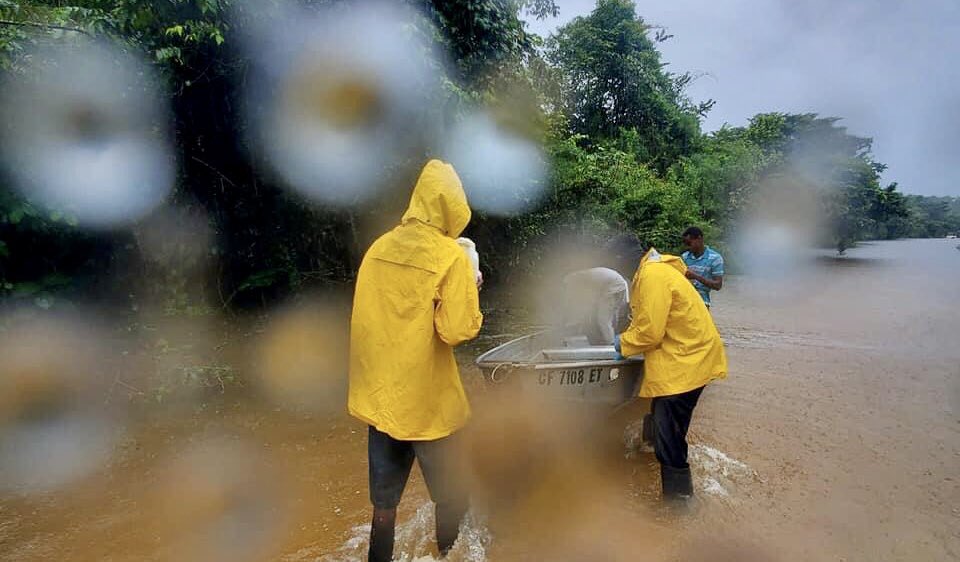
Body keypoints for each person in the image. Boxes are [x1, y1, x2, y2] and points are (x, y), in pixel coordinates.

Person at [348, 160, 483, 561]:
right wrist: (471, 290)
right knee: (452, 497)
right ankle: (449, 555)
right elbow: (457, 331)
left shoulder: (377, 249)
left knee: (384, 505)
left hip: (382, 400)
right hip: (430, 404)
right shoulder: (452, 257)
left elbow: (369, 321)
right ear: (452, 206)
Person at [609, 234, 727, 505]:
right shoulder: (657, 270)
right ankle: (658, 465)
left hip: (686, 364)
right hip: (690, 357)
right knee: (664, 424)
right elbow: (650, 321)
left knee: (669, 438)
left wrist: (622, 343)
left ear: (621, 261)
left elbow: (650, 333)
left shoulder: (652, 277)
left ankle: (679, 504)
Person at [560, 267, 630, 345]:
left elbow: (585, 300)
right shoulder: (580, 276)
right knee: (609, 315)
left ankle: (611, 343)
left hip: (613, 287)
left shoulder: (576, 280)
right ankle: (612, 338)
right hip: (617, 284)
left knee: (603, 319)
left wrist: (572, 320)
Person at [680, 226, 724, 308]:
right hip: (684, 300)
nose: (687, 247)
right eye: (685, 244)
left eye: (689, 244)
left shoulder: (715, 258)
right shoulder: (684, 257)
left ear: (699, 239)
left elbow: (718, 285)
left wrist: (696, 276)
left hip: (702, 302)